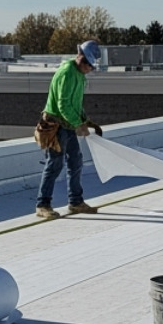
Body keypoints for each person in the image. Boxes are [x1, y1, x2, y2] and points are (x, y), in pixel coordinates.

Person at [35, 39, 103, 219]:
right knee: (54, 164)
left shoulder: (79, 75)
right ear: (81, 58)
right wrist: (79, 125)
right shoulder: (67, 73)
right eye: (88, 65)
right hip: (55, 125)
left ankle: (75, 202)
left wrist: (86, 121)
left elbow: (75, 103)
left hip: (68, 125)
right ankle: (43, 205)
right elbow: (63, 105)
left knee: (75, 161)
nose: (90, 69)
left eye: (92, 67)